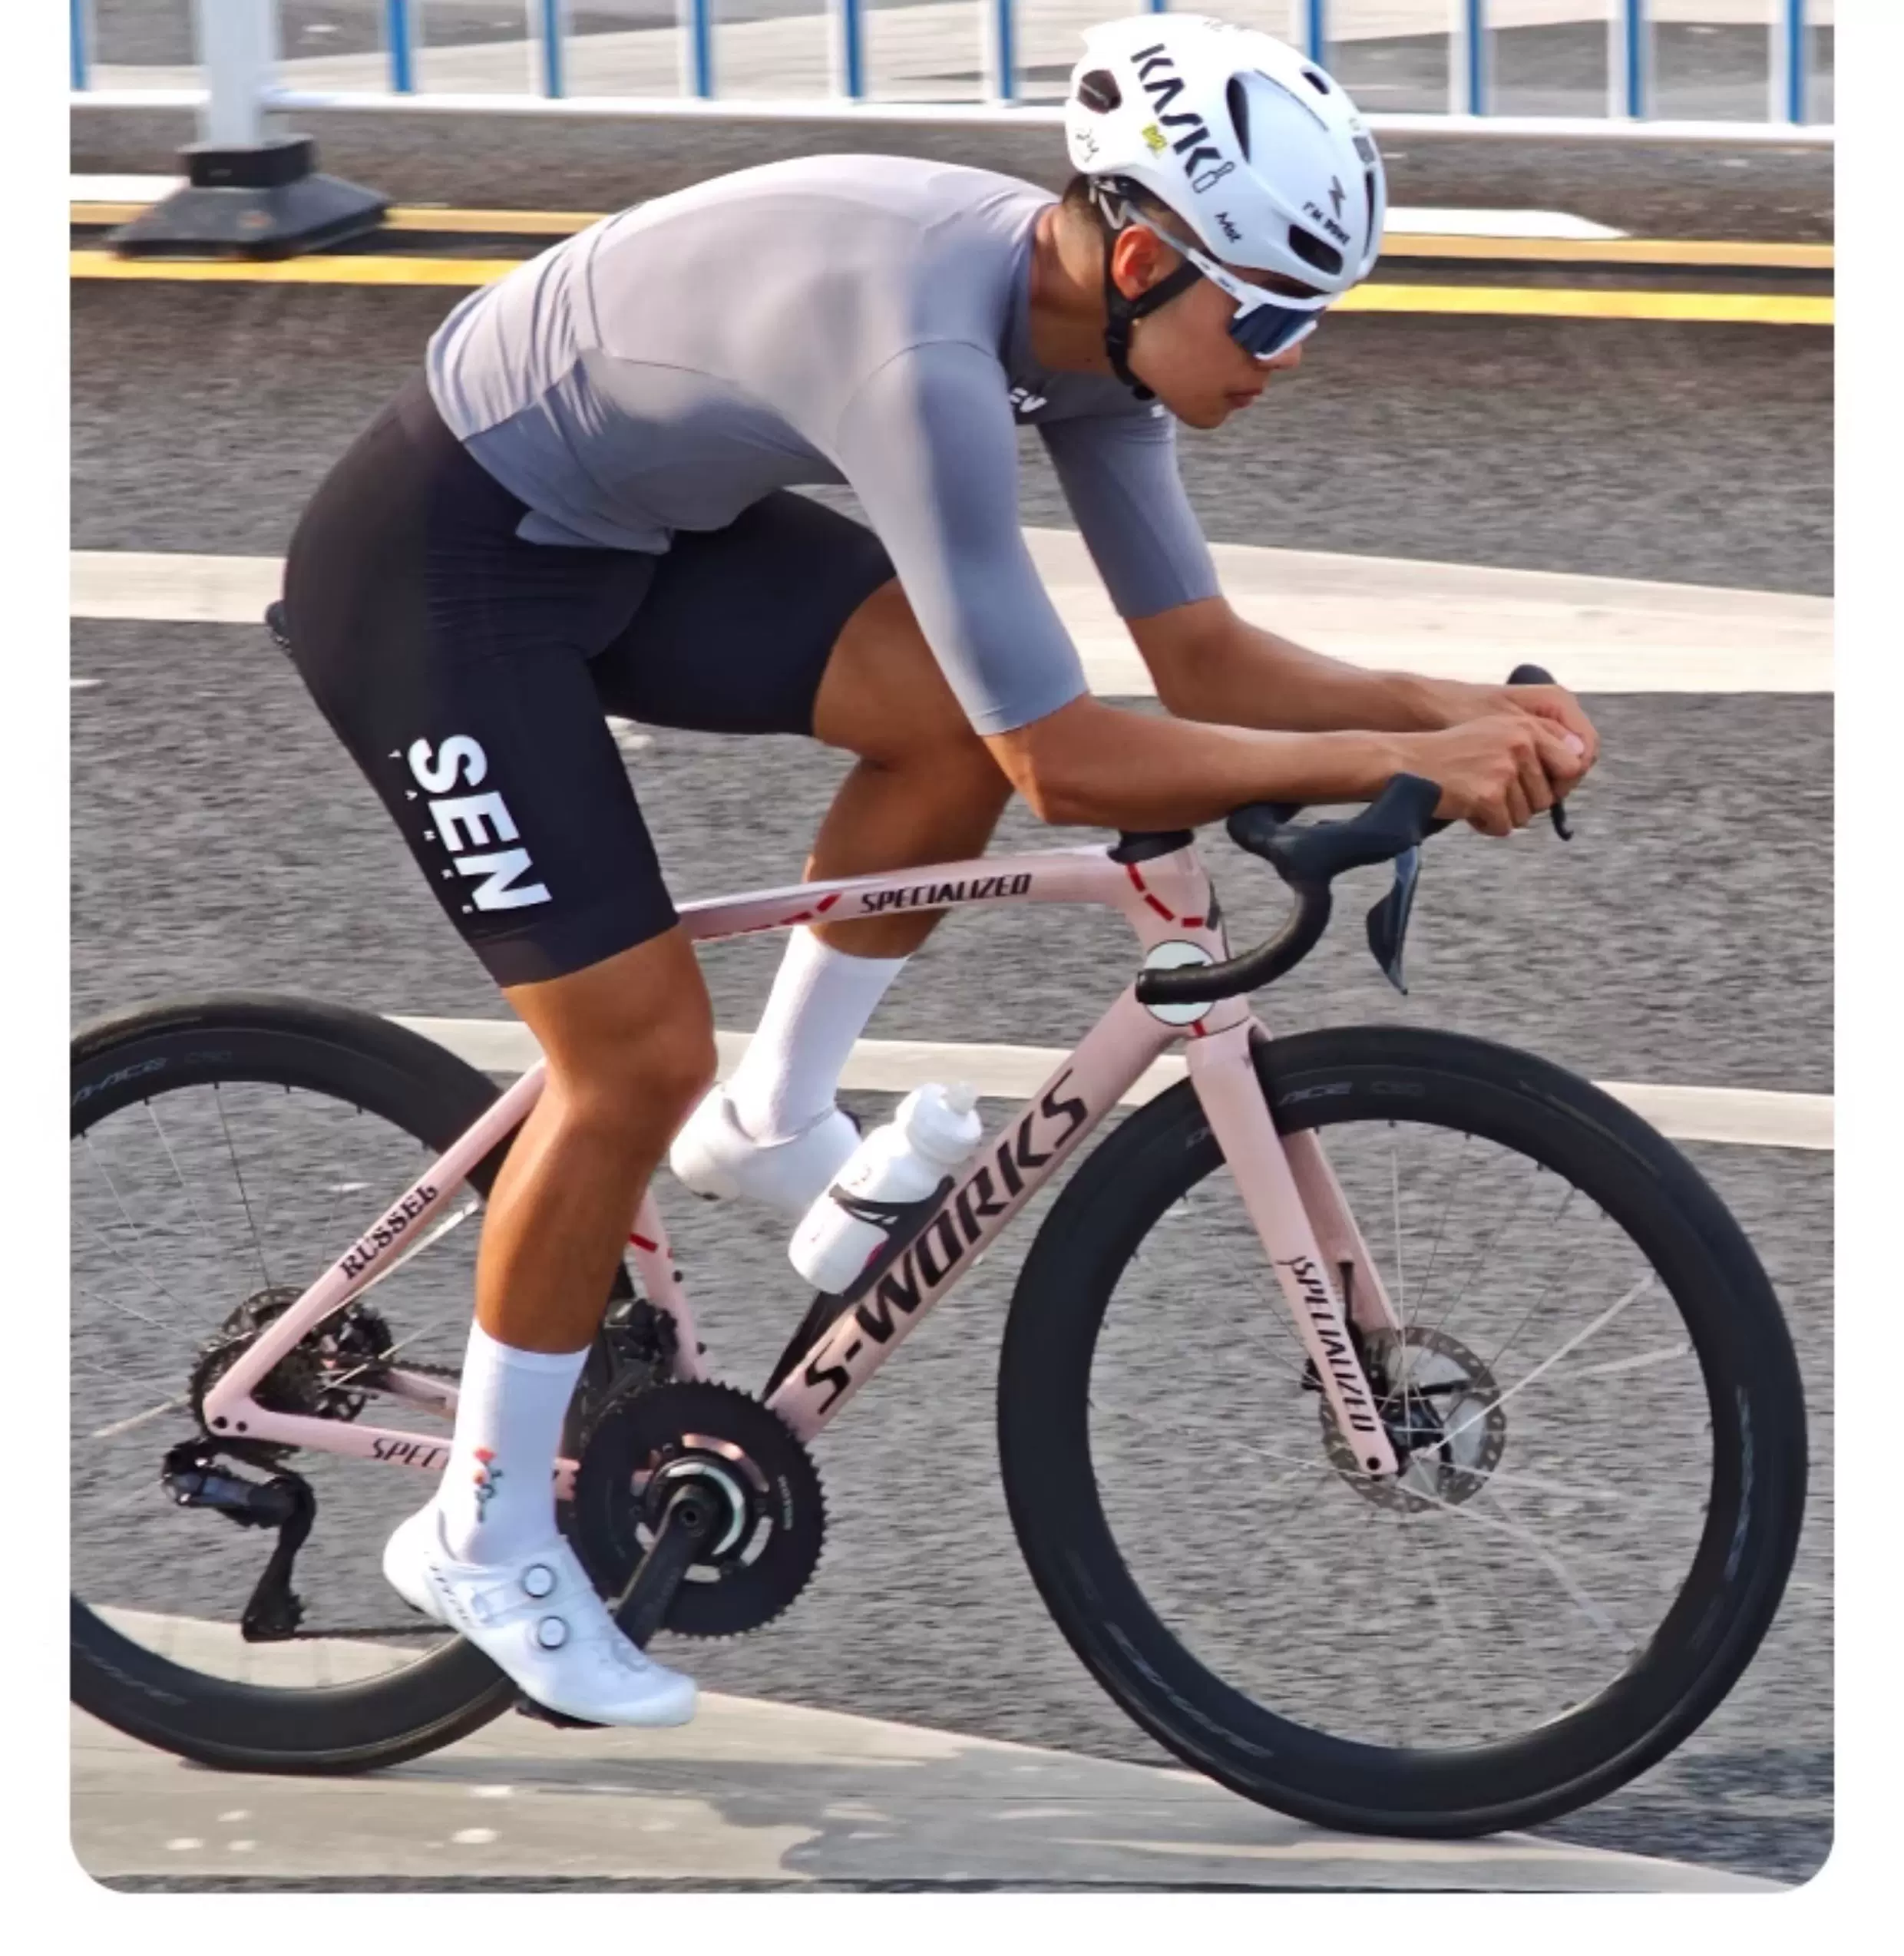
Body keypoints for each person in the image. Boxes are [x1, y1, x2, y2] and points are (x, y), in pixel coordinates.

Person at [278, 12, 1595, 1730]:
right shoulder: (923, 354)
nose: (1290, 357)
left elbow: (1196, 658)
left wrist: (1456, 708)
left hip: (634, 533)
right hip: (440, 568)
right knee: (632, 1059)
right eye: (1273, 315)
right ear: (1144, 257)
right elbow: (1067, 762)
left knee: (941, 728)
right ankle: (481, 1527)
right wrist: (1385, 761)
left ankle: (774, 1118)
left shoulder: (1100, 341)